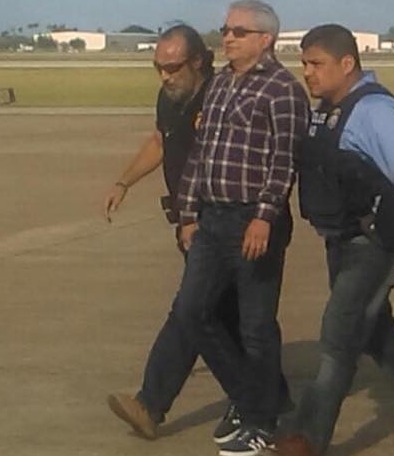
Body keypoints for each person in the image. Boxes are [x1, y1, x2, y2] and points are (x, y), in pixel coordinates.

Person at [275, 24, 394, 456]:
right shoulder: (326, 112)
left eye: (316, 63)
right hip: (340, 241)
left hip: (374, 245)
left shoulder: (376, 113)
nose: (307, 72)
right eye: (304, 63)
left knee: (338, 338)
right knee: (376, 335)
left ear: (347, 63)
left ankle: (306, 438)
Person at [104, 24, 251, 442]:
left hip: (220, 223)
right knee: (217, 316)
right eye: (158, 68)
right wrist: (124, 182)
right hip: (190, 225)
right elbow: (160, 141)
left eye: (172, 68)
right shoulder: (169, 98)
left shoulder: (223, 97)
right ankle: (266, 397)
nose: (164, 77)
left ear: (198, 61)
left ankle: (152, 403)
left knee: (193, 311)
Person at [174, 2, 309, 455]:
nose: (227, 37)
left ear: (265, 39)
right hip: (212, 219)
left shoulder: (283, 90)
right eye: (225, 29)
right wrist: (188, 214)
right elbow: (201, 153)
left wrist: (264, 216)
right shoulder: (218, 84)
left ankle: (261, 423)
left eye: (238, 31)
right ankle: (255, 401)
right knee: (192, 312)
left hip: (253, 219)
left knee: (255, 326)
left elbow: (284, 161)